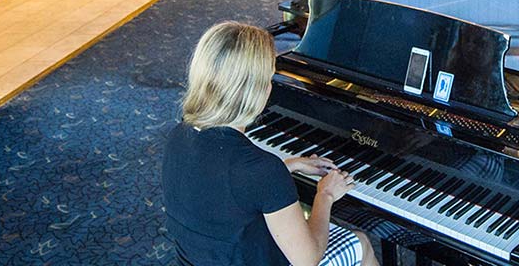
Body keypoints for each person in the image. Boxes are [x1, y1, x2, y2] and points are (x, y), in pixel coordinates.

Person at [161, 21, 379, 266]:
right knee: (361, 242)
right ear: (257, 90)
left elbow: (229, 186)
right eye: (269, 77)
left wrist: (290, 165)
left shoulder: (179, 135)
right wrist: (325, 195)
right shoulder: (262, 170)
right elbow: (307, 259)